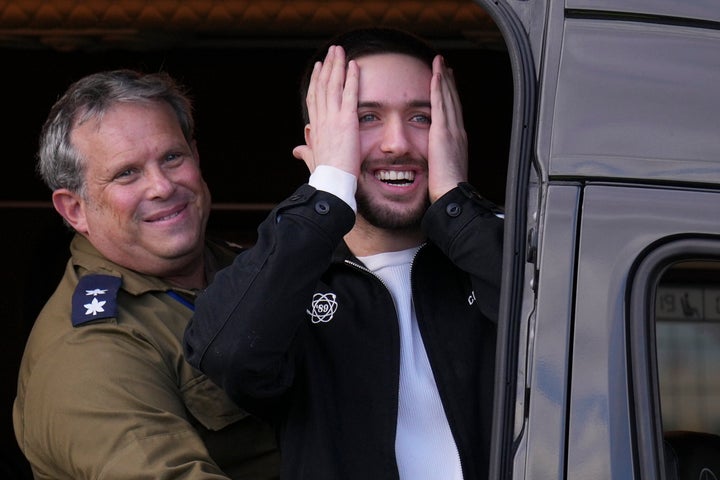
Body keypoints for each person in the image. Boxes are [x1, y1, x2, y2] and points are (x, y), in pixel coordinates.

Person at [184, 27, 503, 480]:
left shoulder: (499, 249)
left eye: (422, 117)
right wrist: (330, 187)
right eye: (366, 118)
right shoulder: (287, 277)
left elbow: (570, 336)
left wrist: (456, 202)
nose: (396, 143)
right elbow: (232, 358)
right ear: (318, 141)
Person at [13, 70, 280, 479]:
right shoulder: (89, 349)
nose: (161, 186)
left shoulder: (242, 268)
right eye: (126, 173)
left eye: (172, 157)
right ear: (75, 210)